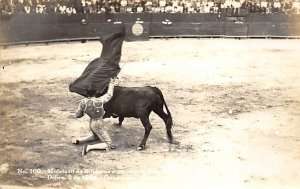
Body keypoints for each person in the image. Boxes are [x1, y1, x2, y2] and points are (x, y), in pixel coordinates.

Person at [72, 78, 118, 156]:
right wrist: (111, 84)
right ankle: (88, 147)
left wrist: (84, 112)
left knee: (96, 136)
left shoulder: (83, 102)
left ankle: (79, 140)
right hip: (98, 124)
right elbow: (109, 94)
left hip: (91, 122)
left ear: (87, 93)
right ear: (95, 93)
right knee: (109, 144)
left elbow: (78, 115)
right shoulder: (99, 101)